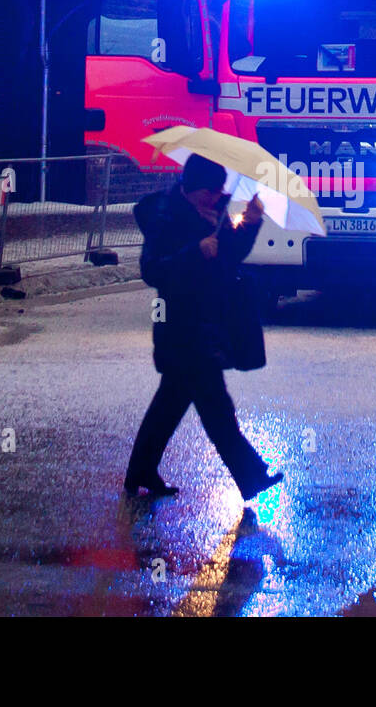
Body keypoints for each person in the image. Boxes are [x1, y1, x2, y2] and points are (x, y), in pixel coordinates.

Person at [124, 153, 284, 500]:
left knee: (169, 406)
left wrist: (251, 223)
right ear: (190, 188)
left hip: (208, 324)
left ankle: (140, 471)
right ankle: (251, 476)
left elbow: (229, 257)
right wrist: (194, 252)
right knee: (217, 409)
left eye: (218, 191)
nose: (215, 197)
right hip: (180, 328)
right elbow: (153, 271)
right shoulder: (165, 217)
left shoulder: (213, 214)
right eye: (208, 192)